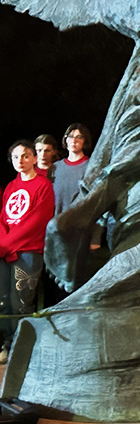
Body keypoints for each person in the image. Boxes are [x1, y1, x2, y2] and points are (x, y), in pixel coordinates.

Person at [0, 141, 55, 362]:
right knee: (3, 300)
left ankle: (22, 345)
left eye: (25, 156)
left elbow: (36, 222)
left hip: (28, 251)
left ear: (34, 158)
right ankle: (6, 341)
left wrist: (5, 245)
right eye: (15, 157)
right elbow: (3, 218)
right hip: (6, 250)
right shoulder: (11, 187)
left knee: (21, 299)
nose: (20, 161)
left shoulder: (44, 187)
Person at [53, 123, 92, 216]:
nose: (74, 140)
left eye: (79, 137)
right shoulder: (55, 167)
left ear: (85, 141)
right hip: (55, 223)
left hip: (78, 222)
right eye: (70, 136)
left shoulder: (90, 166)